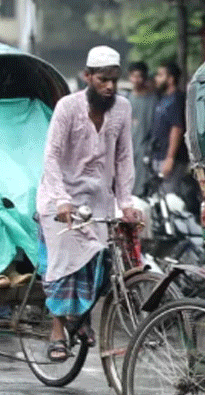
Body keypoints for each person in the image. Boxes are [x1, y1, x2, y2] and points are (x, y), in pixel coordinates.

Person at [36, 46, 139, 361]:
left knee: (101, 263)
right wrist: (62, 200)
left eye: (113, 80)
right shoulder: (67, 107)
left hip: (98, 201)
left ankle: (81, 321)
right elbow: (51, 156)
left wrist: (126, 202)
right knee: (64, 260)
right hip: (60, 197)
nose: (109, 87)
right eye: (103, 80)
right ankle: (57, 331)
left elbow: (124, 158)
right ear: (88, 77)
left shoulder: (122, 108)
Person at [150, 61, 189, 203]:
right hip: (159, 156)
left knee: (170, 198)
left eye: (160, 75)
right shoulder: (163, 99)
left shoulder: (177, 99)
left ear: (171, 79)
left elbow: (177, 129)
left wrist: (170, 158)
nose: (156, 78)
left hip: (171, 158)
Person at [126, 61, 157, 198]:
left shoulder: (153, 100)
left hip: (146, 151)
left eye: (139, 76)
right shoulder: (126, 99)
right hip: (128, 150)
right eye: (133, 76)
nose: (136, 80)